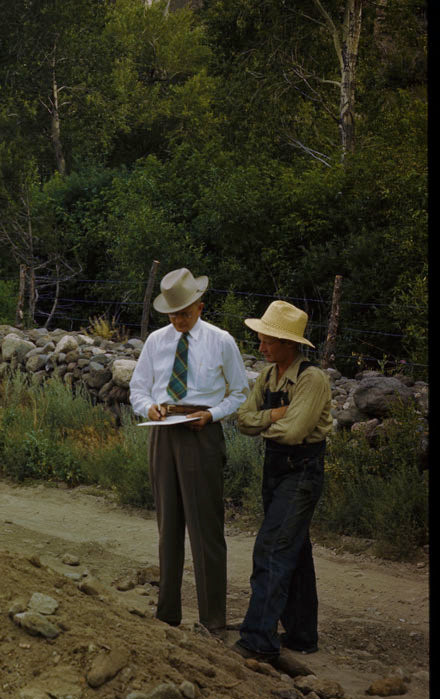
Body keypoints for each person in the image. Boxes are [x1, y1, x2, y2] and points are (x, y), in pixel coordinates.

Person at [129, 267, 249, 633]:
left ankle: (212, 619)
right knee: (168, 527)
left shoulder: (221, 341)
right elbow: (138, 389)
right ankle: (167, 614)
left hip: (201, 433)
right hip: (162, 432)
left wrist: (211, 415)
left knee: (205, 528)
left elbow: (239, 392)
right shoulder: (156, 342)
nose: (178, 319)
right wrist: (149, 407)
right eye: (172, 313)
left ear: (199, 306)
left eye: (184, 312)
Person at [233, 300, 332, 669]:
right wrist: (275, 414)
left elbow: (294, 433)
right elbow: (243, 420)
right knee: (295, 551)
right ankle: (302, 635)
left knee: (272, 549)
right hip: (274, 469)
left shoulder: (312, 379)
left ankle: (259, 640)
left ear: (289, 343)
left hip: (302, 469)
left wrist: (265, 423)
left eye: (268, 341)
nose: (261, 347)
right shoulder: (269, 375)